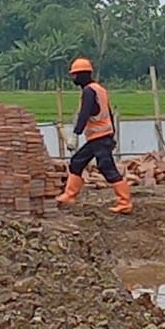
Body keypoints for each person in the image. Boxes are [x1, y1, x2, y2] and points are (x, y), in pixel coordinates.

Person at [56, 57, 132, 214]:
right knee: (76, 162)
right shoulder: (99, 89)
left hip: (100, 137)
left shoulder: (89, 91)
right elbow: (109, 113)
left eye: (75, 75)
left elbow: (84, 114)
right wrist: (113, 135)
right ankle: (69, 196)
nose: (74, 78)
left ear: (83, 75)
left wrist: (75, 135)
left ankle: (124, 202)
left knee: (106, 167)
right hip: (98, 137)